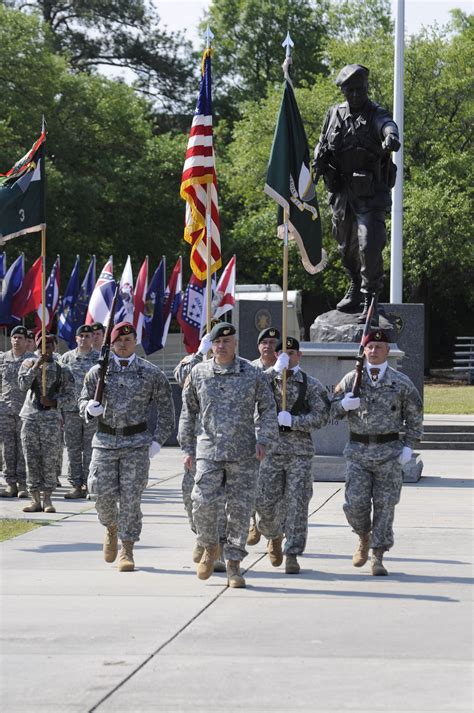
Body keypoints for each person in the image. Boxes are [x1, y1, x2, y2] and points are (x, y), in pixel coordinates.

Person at [178, 322, 278, 588]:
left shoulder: (251, 372)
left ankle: (234, 564)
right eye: (217, 342)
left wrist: (264, 439)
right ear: (211, 344)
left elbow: (268, 408)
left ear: (235, 344)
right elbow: (188, 412)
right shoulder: (199, 373)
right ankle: (210, 546)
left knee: (239, 511)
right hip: (208, 451)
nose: (221, 346)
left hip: (242, 453)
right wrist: (186, 447)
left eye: (226, 342)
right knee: (201, 502)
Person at [79, 321, 175, 572]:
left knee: (131, 499)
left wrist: (157, 440)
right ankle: (111, 526)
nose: (123, 344)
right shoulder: (98, 372)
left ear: (135, 341)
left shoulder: (150, 373)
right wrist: (88, 409)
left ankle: (127, 548)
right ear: (112, 343)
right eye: (119, 340)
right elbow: (83, 401)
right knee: (100, 494)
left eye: (128, 339)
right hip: (105, 442)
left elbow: (167, 411)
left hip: (136, 444)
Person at [330, 329, 423, 575]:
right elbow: (329, 410)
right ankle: (363, 536)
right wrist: (342, 405)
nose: (373, 351)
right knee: (355, 504)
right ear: (364, 350)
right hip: (358, 452)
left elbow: (415, 416)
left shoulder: (401, 382)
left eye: (379, 347)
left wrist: (409, 446)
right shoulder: (352, 379)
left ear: (387, 352)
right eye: (370, 347)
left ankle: (378, 556)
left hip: (389, 453)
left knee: (385, 505)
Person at [313, 64, 400, 322]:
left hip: (370, 193)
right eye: (350, 90)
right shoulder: (334, 114)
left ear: (366, 88)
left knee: (369, 244)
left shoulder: (375, 113)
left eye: (360, 89)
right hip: (341, 193)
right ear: (343, 91)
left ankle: (371, 299)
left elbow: (387, 125)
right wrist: (318, 159)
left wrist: (391, 137)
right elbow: (322, 142)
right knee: (346, 247)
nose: (355, 95)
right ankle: (354, 287)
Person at [256, 337, 330, 574]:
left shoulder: (311, 384)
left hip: (299, 453)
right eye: (283, 352)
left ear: (300, 356)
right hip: (270, 451)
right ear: (276, 356)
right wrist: (272, 372)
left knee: (297, 503)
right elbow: (248, 394)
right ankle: (273, 535)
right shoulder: (265, 380)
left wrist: (293, 422)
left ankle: (292, 553)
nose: (288, 355)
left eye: (293, 352)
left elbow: (321, 417)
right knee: (265, 504)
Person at [173, 332, 226, 572]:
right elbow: (181, 378)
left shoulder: (228, 365)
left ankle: (218, 549)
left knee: (218, 498)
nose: (218, 344)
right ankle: (201, 536)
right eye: (213, 339)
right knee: (190, 497)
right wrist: (198, 355)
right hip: (194, 444)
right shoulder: (192, 363)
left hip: (218, 444)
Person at [18, 333, 75, 513]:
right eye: (42, 345)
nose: (46, 349)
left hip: (50, 420)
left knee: (49, 460)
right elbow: (22, 385)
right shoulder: (28, 364)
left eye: (49, 345)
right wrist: (37, 365)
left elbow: (71, 397)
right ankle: (34, 499)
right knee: (31, 458)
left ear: (55, 347)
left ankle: (48, 498)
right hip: (31, 417)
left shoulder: (62, 369)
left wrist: (55, 402)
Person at [247, 326, 281, 546]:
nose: (268, 346)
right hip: (254, 433)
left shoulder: (288, 369)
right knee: (251, 482)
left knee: (272, 488)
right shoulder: (249, 369)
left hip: (281, 438)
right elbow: (257, 382)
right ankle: (252, 521)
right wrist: (275, 370)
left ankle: (271, 529)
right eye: (264, 343)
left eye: (273, 343)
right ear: (259, 346)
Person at [59, 324, 99, 499]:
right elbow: (58, 385)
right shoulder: (66, 359)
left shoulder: (99, 359)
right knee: (73, 449)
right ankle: (76, 485)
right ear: (76, 338)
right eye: (80, 336)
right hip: (70, 410)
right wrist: (59, 411)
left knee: (92, 448)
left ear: (92, 339)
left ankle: (90, 484)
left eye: (87, 336)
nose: (83, 338)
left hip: (91, 411)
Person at [0, 326, 35, 498]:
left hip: (25, 410)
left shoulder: (32, 359)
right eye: (14, 337)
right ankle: (10, 483)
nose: (16, 341)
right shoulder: (3, 358)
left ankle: (23, 483)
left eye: (20, 338)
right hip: (5, 410)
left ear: (25, 340)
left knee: (23, 449)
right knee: (8, 448)